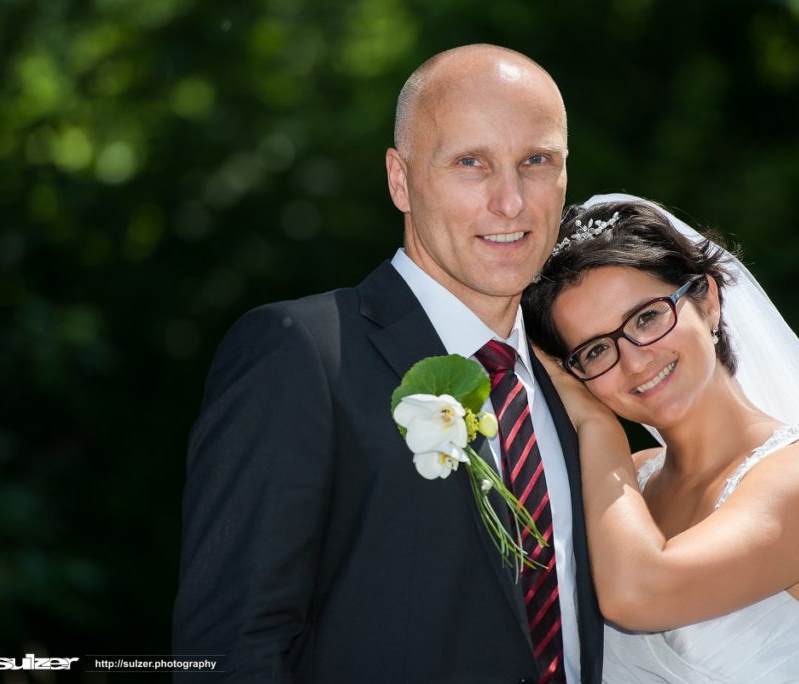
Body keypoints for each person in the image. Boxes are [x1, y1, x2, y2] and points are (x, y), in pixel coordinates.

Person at [172, 45, 603, 683]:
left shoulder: (584, 384)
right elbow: (229, 650)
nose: (511, 201)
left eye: (536, 161)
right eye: (470, 163)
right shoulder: (305, 355)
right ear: (400, 180)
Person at [523, 193, 799, 683]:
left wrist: (597, 425)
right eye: (597, 350)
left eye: (647, 317)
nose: (635, 360)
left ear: (706, 299)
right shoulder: (626, 482)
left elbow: (639, 593)